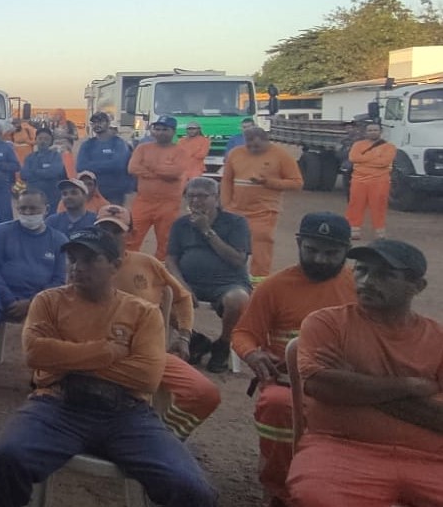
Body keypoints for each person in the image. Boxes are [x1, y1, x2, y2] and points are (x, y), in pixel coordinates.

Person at [0, 227, 217, 507]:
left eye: (90, 259)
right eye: (73, 259)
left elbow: (146, 376)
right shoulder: (48, 301)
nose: (78, 267)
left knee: (193, 490)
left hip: (127, 415)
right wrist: (108, 351)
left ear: (115, 266)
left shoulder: (144, 313)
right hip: (58, 404)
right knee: (4, 458)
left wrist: (66, 358)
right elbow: (35, 353)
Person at [287, 239, 443, 506]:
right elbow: (323, 387)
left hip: (430, 458)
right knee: (318, 498)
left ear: (417, 286)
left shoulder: (438, 338)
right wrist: (411, 386)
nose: (367, 281)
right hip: (341, 450)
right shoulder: (326, 322)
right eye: (361, 270)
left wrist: (355, 382)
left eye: (384, 274)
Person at [230, 212, 355, 505]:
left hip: (346, 383)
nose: (321, 260)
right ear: (299, 243)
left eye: (331, 253)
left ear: (347, 251)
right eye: (312, 250)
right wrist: (252, 353)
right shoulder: (274, 286)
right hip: (286, 383)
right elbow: (244, 333)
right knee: (276, 405)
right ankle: (280, 490)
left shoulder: (361, 288)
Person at [95, 205, 220, 441]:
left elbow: (182, 297)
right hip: (100, 354)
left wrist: (184, 336)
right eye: (103, 229)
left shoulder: (147, 263)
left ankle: (163, 440)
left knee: (204, 394)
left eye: (116, 230)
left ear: (131, 234)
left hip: (150, 353)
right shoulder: (81, 266)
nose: (108, 236)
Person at [0, 190, 67, 398]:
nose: (28, 213)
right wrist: (10, 299)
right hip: (1, 293)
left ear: (46, 210)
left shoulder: (58, 240)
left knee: (58, 317)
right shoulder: (1, 232)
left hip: (39, 299)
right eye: (23, 209)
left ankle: (42, 378)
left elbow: (58, 281)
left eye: (33, 208)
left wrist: (31, 303)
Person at [167, 177, 252, 374]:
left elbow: (238, 260)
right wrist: (182, 286)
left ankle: (223, 343)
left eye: (202, 196)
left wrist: (206, 230)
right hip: (190, 283)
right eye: (191, 196)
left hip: (228, 283)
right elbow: (171, 259)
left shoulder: (236, 223)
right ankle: (195, 340)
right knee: (158, 295)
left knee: (238, 299)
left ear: (216, 198)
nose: (196, 201)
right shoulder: (180, 224)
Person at [221, 128, 303, 277]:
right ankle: (231, 280)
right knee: (231, 247)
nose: (252, 149)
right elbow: (226, 181)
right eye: (249, 145)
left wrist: (268, 182)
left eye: (257, 146)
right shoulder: (235, 153)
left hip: (264, 212)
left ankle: (258, 284)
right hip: (235, 211)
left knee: (261, 248)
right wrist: (226, 205)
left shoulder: (281, 155)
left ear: (267, 141)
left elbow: (297, 183)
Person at [127, 115, 188, 260]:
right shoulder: (143, 148)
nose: (160, 132)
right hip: (143, 201)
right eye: (157, 129)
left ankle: (161, 273)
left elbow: (175, 172)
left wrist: (149, 167)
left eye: (164, 129)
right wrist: (161, 172)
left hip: (168, 203)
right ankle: (129, 266)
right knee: (131, 237)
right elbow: (132, 168)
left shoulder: (180, 151)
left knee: (165, 242)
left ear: (173, 131)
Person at [345, 122, 396, 240]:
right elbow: (353, 158)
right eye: (370, 130)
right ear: (365, 132)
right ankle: (354, 230)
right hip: (358, 180)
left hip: (380, 181)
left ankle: (379, 232)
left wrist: (363, 160)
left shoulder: (389, 147)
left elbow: (384, 162)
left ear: (381, 132)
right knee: (355, 205)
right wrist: (375, 158)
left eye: (375, 130)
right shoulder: (358, 145)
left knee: (379, 206)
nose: (373, 132)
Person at [77, 111, 133, 205]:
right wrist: (107, 164)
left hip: (115, 192)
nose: (96, 125)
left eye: (100, 122)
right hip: (92, 192)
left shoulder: (119, 143)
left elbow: (118, 165)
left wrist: (92, 165)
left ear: (108, 123)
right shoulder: (87, 145)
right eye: (94, 122)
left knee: (112, 218)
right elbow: (80, 166)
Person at [21, 127, 67, 214]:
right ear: (36, 140)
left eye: (46, 139)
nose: (43, 141)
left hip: (52, 198)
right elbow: (24, 174)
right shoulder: (29, 157)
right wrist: (45, 173)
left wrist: (35, 172)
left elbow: (55, 172)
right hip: (33, 198)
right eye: (40, 138)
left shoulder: (56, 156)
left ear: (51, 142)